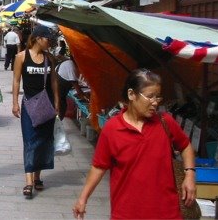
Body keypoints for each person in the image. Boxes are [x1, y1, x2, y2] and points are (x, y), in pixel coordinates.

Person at [72, 69, 197, 219]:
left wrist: (190, 174)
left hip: (166, 213)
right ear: (131, 94)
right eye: (150, 97)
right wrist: (83, 198)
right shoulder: (112, 129)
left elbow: (185, 146)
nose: (155, 102)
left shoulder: (165, 122)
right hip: (126, 213)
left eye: (158, 97)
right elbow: (99, 166)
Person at [11, 24, 59, 199]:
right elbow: (16, 80)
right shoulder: (21, 57)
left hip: (46, 106)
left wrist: (57, 102)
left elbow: (54, 81)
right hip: (29, 105)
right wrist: (15, 102)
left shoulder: (49, 58)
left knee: (44, 141)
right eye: (48, 39)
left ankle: (38, 177)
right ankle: (29, 181)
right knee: (30, 141)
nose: (50, 43)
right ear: (38, 38)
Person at [56, 53, 89, 120]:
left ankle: (59, 120)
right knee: (61, 108)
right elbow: (76, 86)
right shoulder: (70, 65)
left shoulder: (69, 63)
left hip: (60, 92)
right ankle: (59, 120)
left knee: (62, 107)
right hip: (58, 92)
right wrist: (85, 98)